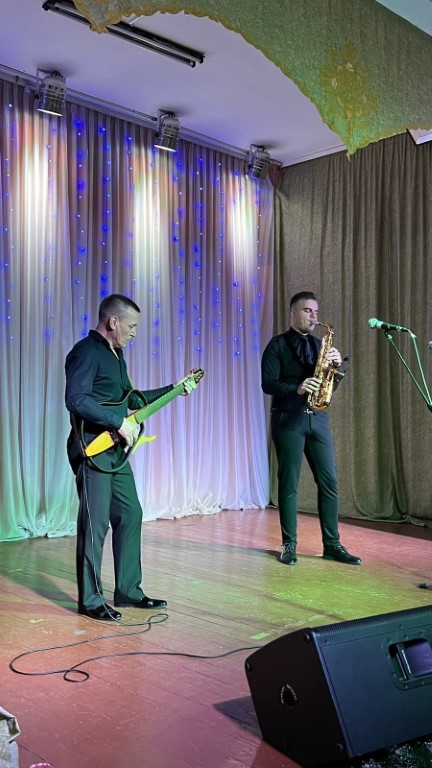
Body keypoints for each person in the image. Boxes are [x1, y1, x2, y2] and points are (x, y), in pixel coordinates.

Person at [65, 293, 198, 621]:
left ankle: (128, 591)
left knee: (130, 513)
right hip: (92, 448)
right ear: (113, 321)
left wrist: (175, 388)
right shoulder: (86, 351)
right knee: (95, 524)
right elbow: (76, 399)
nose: (135, 332)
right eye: (132, 326)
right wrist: (117, 422)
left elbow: (133, 400)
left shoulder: (117, 356)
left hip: (115, 450)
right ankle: (90, 601)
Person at [261, 291, 361, 566]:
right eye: (308, 311)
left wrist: (335, 370)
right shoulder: (277, 345)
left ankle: (332, 545)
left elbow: (328, 389)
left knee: (329, 483)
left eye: (316, 312)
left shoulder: (320, 346)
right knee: (289, 485)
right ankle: (289, 544)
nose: (314, 316)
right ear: (293, 313)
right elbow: (267, 384)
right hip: (288, 418)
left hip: (317, 419)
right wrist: (297, 387)